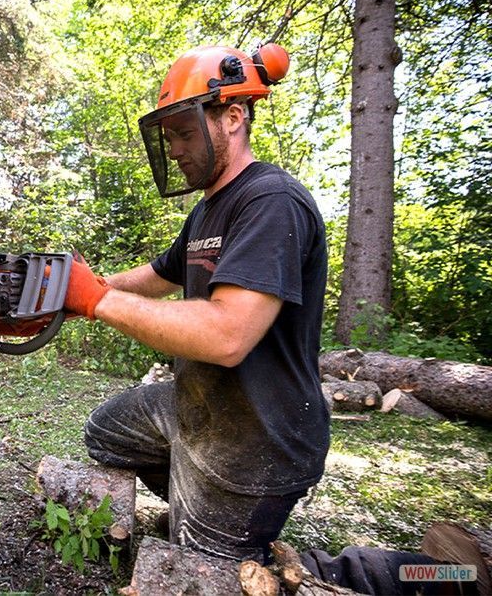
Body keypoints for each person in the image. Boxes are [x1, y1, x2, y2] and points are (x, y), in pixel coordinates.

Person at [59, 44, 487, 594]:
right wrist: (79, 291)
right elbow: (159, 273)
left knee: (243, 578)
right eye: (170, 138)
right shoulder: (210, 207)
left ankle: (449, 575)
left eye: (186, 132)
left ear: (233, 116)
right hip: (199, 407)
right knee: (107, 432)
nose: (177, 148)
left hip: (258, 435)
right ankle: (198, 512)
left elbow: (228, 334)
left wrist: (98, 303)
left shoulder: (271, 201)